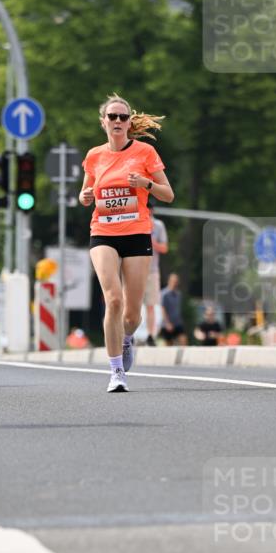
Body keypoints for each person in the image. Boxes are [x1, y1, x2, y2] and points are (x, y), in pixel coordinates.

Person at [79, 92, 174, 392]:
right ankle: (116, 372)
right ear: (103, 122)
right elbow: (86, 193)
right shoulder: (94, 156)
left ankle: (128, 337)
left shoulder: (145, 153)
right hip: (103, 233)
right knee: (114, 299)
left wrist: (145, 183)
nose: (118, 121)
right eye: (112, 117)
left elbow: (168, 194)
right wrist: (84, 197)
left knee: (132, 314)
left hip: (136, 233)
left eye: (123, 117)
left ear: (129, 122)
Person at [144, 199, 168, 346]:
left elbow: (164, 248)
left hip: (152, 270)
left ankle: (150, 335)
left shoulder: (158, 226)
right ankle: (129, 334)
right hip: (135, 269)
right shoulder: (134, 221)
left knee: (151, 304)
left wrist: (153, 242)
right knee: (130, 303)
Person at [159, 273, 188, 346]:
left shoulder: (178, 294)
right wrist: (167, 323)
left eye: (176, 282)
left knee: (183, 339)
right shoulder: (164, 294)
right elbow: (162, 309)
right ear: (169, 281)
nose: (175, 283)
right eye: (173, 281)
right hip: (167, 324)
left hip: (177, 323)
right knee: (169, 345)